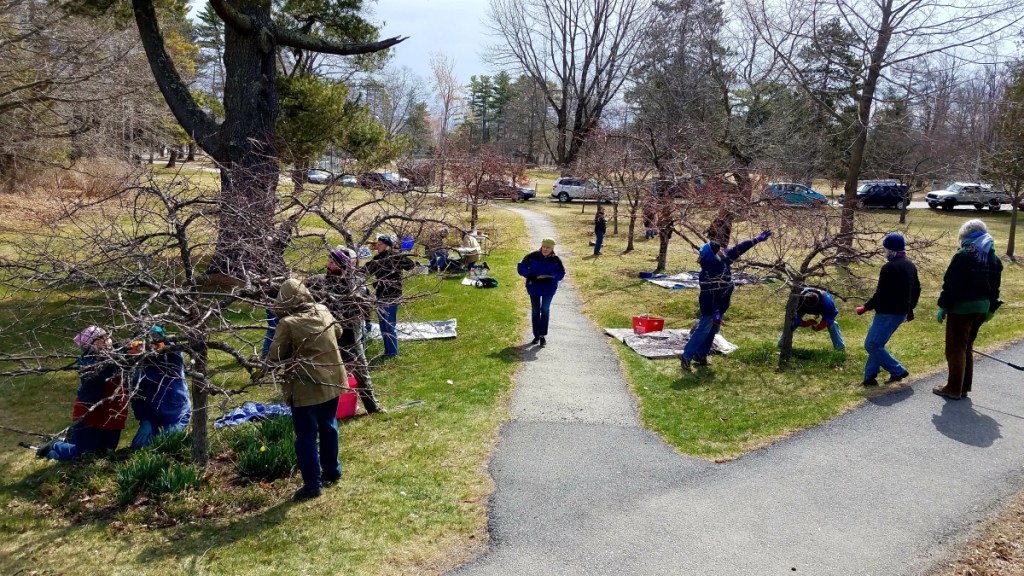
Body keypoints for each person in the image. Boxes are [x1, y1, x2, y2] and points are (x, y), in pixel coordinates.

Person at [267, 278, 346, 500]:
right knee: (329, 425)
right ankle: (332, 471)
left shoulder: (288, 324)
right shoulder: (322, 310)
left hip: (305, 385)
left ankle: (312, 485)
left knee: (306, 436)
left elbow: (276, 356)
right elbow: (338, 332)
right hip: (331, 378)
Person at [306, 246, 386, 414]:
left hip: (350, 336)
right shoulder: (318, 281)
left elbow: (368, 305)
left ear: (344, 266)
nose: (327, 265)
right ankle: (322, 408)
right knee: (323, 372)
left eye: (332, 262)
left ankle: (372, 406)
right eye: (328, 261)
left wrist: (364, 310)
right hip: (325, 335)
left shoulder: (356, 285)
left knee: (360, 371)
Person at [680, 229, 772, 372]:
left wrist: (757, 239)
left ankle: (701, 355)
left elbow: (739, 248)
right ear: (714, 254)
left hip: (721, 305)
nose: (723, 249)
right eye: (719, 249)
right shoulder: (708, 273)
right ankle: (686, 356)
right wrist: (714, 311)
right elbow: (707, 296)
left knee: (713, 329)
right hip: (711, 306)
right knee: (703, 330)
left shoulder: (723, 259)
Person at [933, 219, 1003, 399]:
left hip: (962, 309)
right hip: (982, 309)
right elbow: (995, 288)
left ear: (965, 236)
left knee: (955, 348)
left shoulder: (963, 255)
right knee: (967, 347)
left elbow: (951, 285)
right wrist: (991, 309)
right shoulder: (993, 257)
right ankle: (964, 386)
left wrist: (944, 306)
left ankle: (953, 388)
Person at [39, 326, 128, 460]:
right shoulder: (87, 364)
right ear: (88, 346)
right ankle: (55, 446)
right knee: (85, 454)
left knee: (106, 452)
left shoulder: (117, 353)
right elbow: (104, 372)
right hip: (90, 414)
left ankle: (72, 438)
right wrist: (125, 353)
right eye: (98, 339)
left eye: (106, 336)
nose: (105, 340)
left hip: (114, 413)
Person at [855, 233, 921, 387]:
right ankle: (869, 378)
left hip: (887, 313)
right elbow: (916, 289)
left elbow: (880, 294)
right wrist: (910, 309)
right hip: (900, 312)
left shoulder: (889, 268)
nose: (884, 253)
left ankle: (897, 370)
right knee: (878, 344)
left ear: (891, 250)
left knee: (871, 345)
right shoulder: (910, 265)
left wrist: (865, 307)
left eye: (885, 249)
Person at [128, 326, 192, 449]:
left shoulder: (172, 360)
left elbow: (174, 348)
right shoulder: (138, 369)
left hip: (176, 416)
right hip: (152, 419)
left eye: (154, 342)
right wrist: (145, 420)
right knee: (139, 447)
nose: (149, 348)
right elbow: (137, 399)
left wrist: (161, 338)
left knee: (164, 446)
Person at [364, 234, 415, 357]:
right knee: (383, 325)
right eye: (377, 244)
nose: (377, 246)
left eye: (380, 244)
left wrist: (401, 257)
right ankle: (388, 351)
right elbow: (366, 271)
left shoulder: (396, 256)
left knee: (389, 325)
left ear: (388, 245)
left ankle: (392, 352)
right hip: (380, 294)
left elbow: (410, 265)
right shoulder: (377, 259)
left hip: (392, 295)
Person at [517, 237, 566, 348]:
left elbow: (561, 273)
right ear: (541, 246)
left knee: (544, 309)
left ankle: (542, 335)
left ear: (552, 249)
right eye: (544, 247)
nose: (545, 249)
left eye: (548, 248)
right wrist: (530, 274)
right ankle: (536, 335)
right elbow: (521, 266)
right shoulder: (532, 256)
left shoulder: (556, 260)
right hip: (534, 286)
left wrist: (552, 277)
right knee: (535, 310)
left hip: (549, 288)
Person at [779, 287, 845, 351]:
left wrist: (820, 326)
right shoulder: (797, 298)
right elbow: (791, 316)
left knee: (833, 324)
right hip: (801, 307)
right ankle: (782, 345)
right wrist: (805, 323)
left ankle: (840, 348)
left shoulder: (827, 301)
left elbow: (830, 317)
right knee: (791, 322)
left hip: (821, 307)